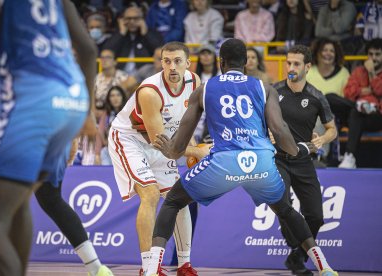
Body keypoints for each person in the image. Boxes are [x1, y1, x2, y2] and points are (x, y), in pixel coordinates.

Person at [144, 38, 338, 276]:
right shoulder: (264, 87)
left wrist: (170, 151)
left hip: (225, 162)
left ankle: (152, 269)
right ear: (246, 62)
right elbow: (279, 130)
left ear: (220, 62)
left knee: (173, 200)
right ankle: (325, 267)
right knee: (285, 209)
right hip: (261, 162)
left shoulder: (204, 89)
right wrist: (299, 151)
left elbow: (180, 144)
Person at [0, 1, 105, 275]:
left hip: (31, 104)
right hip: (71, 101)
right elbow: (89, 51)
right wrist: (86, 114)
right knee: (20, 203)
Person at [108, 42, 205, 276]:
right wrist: (197, 152)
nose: (172, 67)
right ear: (161, 63)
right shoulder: (150, 91)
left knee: (179, 199)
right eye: (167, 61)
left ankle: (184, 265)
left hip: (166, 141)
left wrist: (191, 145)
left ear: (188, 64)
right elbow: (160, 142)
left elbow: (186, 123)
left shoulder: (195, 82)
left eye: (177, 61)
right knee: (150, 194)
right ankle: (149, 268)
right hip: (131, 140)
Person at [272, 45, 337, 275]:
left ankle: (296, 257)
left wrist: (322, 141)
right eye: (289, 63)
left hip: (303, 160)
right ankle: (297, 248)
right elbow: (259, 119)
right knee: (282, 203)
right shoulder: (273, 91)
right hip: (277, 158)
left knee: (316, 216)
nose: (291, 68)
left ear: (308, 67)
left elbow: (332, 129)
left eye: (296, 64)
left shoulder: (317, 96)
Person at [35, 140, 112, 276]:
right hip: (57, 137)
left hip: (36, 138)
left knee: (4, 204)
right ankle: (96, 269)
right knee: (50, 199)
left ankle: (96, 269)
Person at [339, 38, 382, 168]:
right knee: (331, 99)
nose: (373, 58)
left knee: (355, 112)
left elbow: (379, 91)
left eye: (378, 54)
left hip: (377, 117)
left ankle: (349, 156)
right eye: (371, 54)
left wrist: (372, 73)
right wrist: (363, 91)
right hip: (357, 114)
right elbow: (348, 92)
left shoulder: (370, 71)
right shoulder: (358, 71)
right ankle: (348, 157)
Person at [105, 6, 163, 75]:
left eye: (136, 18)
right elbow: (107, 51)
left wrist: (146, 34)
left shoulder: (152, 34)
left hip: (143, 76)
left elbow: (160, 51)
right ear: (122, 20)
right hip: (120, 75)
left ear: (142, 20)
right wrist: (121, 34)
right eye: (128, 19)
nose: (132, 21)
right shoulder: (118, 34)